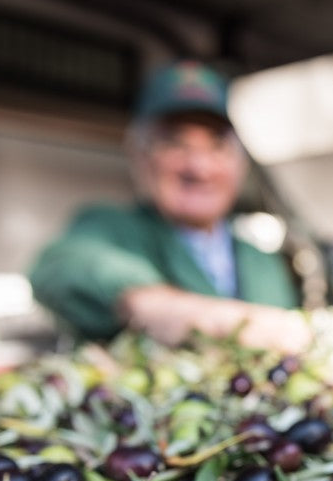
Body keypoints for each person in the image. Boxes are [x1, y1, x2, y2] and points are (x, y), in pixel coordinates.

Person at [29, 60, 311, 353]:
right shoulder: (111, 228)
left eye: (217, 146)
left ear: (239, 162)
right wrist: (155, 303)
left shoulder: (262, 261)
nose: (199, 167)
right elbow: (56, 267)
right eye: (175, 144)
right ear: (140, 157)